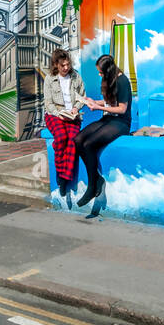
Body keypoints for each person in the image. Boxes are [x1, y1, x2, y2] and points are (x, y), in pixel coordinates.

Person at [74, 54, 132, 209]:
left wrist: (99, 107)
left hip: (120, 122)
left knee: (90, 144)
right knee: (78, 140)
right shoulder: (109, 79)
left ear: (108, 70)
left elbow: (122, 108)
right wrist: (93, 102)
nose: (99, 75)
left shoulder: (122, 81)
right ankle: (97, 180)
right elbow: (110, 102)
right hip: (108, 119)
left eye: (101, 72)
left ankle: (93, 186)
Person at [42, 48, 84, 207]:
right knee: (61, 138)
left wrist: (76, 109)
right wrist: (58, 114)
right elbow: (48, 103)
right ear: (55, 65)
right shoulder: (49, 79)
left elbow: (82, 96)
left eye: (67, 64)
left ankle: (65, 179)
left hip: (72, 114)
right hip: (55, 114)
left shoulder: (76, 76)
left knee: (73, 140)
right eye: (62, 65)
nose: (66, 68)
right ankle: (60, 175)